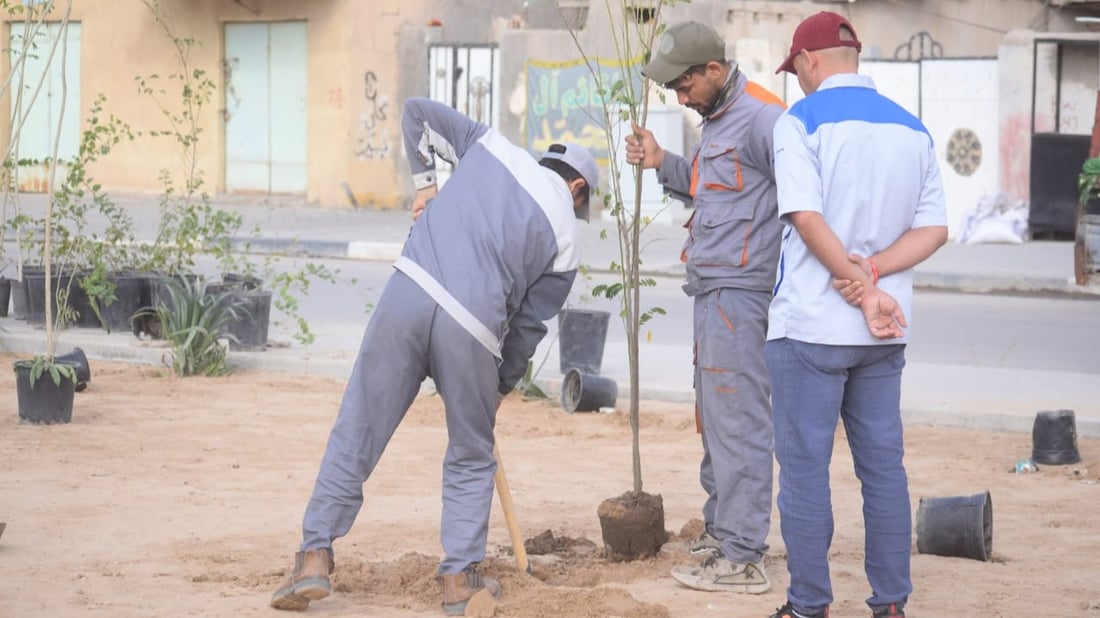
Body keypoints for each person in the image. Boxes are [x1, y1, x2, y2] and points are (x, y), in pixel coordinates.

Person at [269, 97, 597, 615]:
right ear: (577, 189)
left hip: (411, 290)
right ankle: (459, 582)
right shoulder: (566, 239)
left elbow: (416, 110)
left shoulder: (489, 145)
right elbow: (527, 331)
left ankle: (313, 557)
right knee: (471, 453)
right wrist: (494, 390)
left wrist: (426, 185)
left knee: (358, 427)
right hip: (473, 328)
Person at [765, 11, 948, 618]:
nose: (797, 81)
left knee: (804, 474)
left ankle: (809, 606)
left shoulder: (799, 123)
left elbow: (805, 218)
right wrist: (873, 277)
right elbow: (934, 229)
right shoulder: (913, 129)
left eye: (795, 70)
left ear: (809, 62)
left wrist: (854, 281)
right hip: (883, 333)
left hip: (812, 327)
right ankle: (891, 604)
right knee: (883, 472)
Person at [624, 21, 785, 594]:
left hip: (742, 293)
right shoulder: (718, 120)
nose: (678, 98)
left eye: (683, 86)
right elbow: (706, 184)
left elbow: (803, 201)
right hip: (713, 290)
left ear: (713, 72)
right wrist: (662, 159)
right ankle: (723, 532)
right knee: (714, 417)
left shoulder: (765, 118)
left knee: (737, 420)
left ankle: (743, 556)